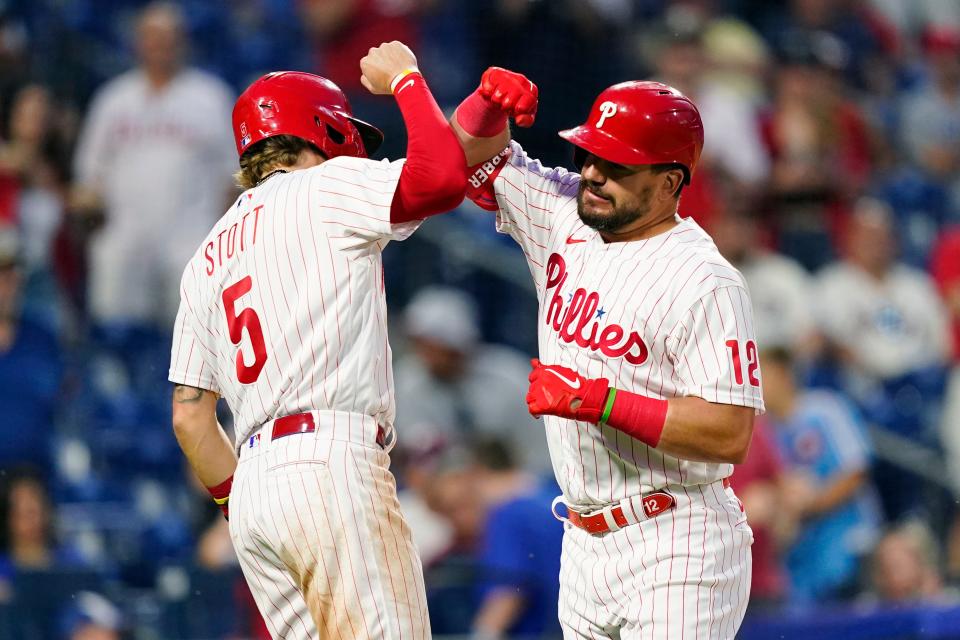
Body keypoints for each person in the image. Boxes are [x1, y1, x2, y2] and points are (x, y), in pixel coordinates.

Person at [167, 40, 469, 638]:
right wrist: (408, 80)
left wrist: (240, 499)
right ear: (322, 131)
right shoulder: (325, 187)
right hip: (330, 465)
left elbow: (190, 421)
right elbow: (441, 180)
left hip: (254, 493)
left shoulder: (204, 256)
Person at [452, 69, 763, 637]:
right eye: (589, 154)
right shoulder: (565, 211)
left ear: (671, 181)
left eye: (617, 165)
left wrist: (601, 401)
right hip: (584, 542)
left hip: (677, 537)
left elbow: (728, 432)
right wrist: (485, 108)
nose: (593, 173)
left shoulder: (704, 280)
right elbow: (462, 161)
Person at [72, 2, 236, 333]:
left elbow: (232, 176)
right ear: (138, 42)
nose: (160, 45)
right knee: (114, 322)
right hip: (126, 231)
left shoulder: (211, 97)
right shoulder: (113, 98)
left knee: (192, 333)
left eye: (168, 37)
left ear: (182, 41)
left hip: (190, 234)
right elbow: (89, 174)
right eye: (152, 37)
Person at [761, 347, 882, 604]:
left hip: (848, 539)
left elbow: (856, 470)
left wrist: (812, 504)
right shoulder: (764, 431)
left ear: (784, 375)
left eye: (764, 376)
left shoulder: (824, 409)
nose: (758, 385)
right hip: (804, 554)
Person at [394, 286, 550, 474]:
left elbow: (540, 453)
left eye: (434, 345)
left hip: (514, 486)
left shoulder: (510, 375)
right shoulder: (407, 379)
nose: (425, 355)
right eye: (419, 343)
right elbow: (417, 456)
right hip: (442, 488)